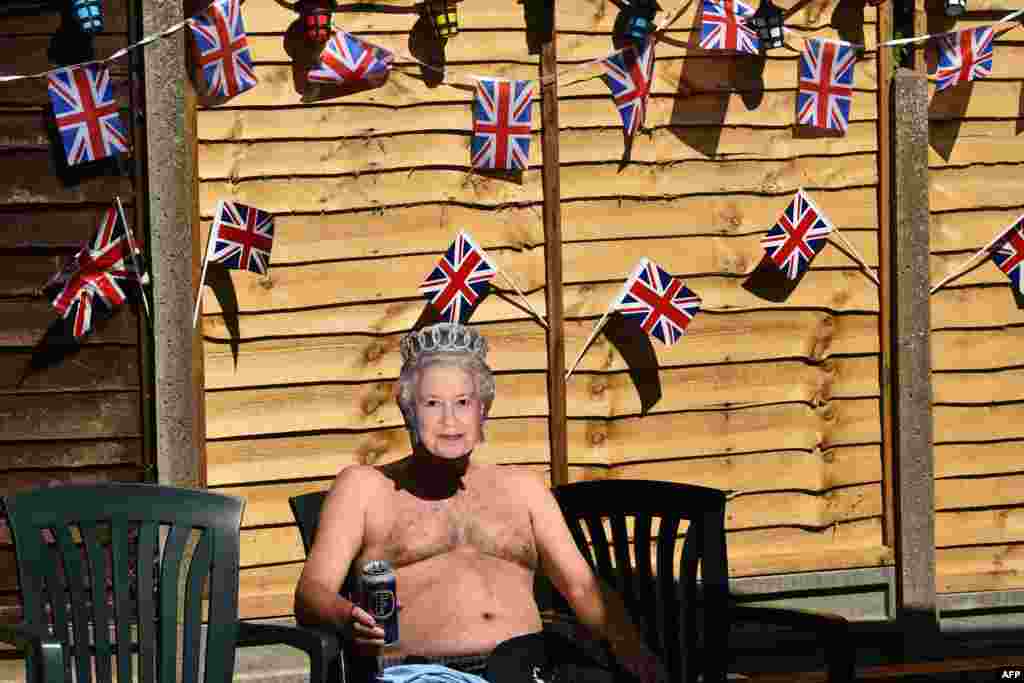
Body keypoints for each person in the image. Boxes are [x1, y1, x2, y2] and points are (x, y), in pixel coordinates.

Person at [294, 322, 668, 683]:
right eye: (432, 403)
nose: (449, 420)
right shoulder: (365, 487)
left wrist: (638, 658)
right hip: (422, 673)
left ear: (482, 411)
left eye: (462, 402)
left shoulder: (523, 489)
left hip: (528, 670)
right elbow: (311, 593)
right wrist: (347, 616)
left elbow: (583, 589)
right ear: (409, 411)